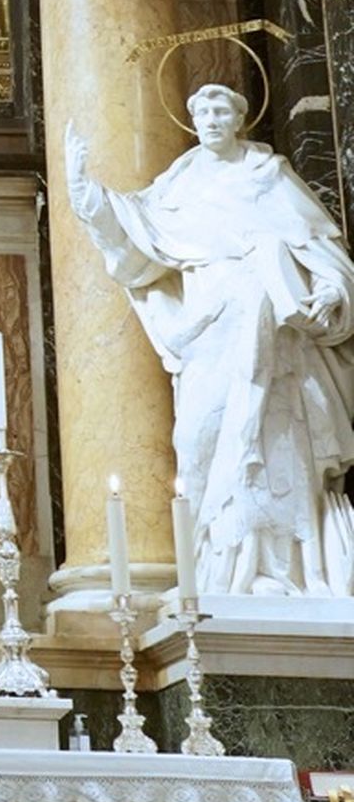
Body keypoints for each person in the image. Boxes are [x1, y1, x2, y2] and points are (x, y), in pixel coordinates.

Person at [67, 83, 354, 594]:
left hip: (277, 340)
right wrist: (86, 195)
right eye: (203, 112)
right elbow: (136, 239)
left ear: (240, 118)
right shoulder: (180, 185)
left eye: (222, 111)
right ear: (193, 121)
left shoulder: (268, 176)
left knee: (276, 445)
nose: (212, 120)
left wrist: (330, 290)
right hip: (209, 334)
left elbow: (324, 252)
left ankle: (274, 569)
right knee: (197, 438)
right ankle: (214, 565)